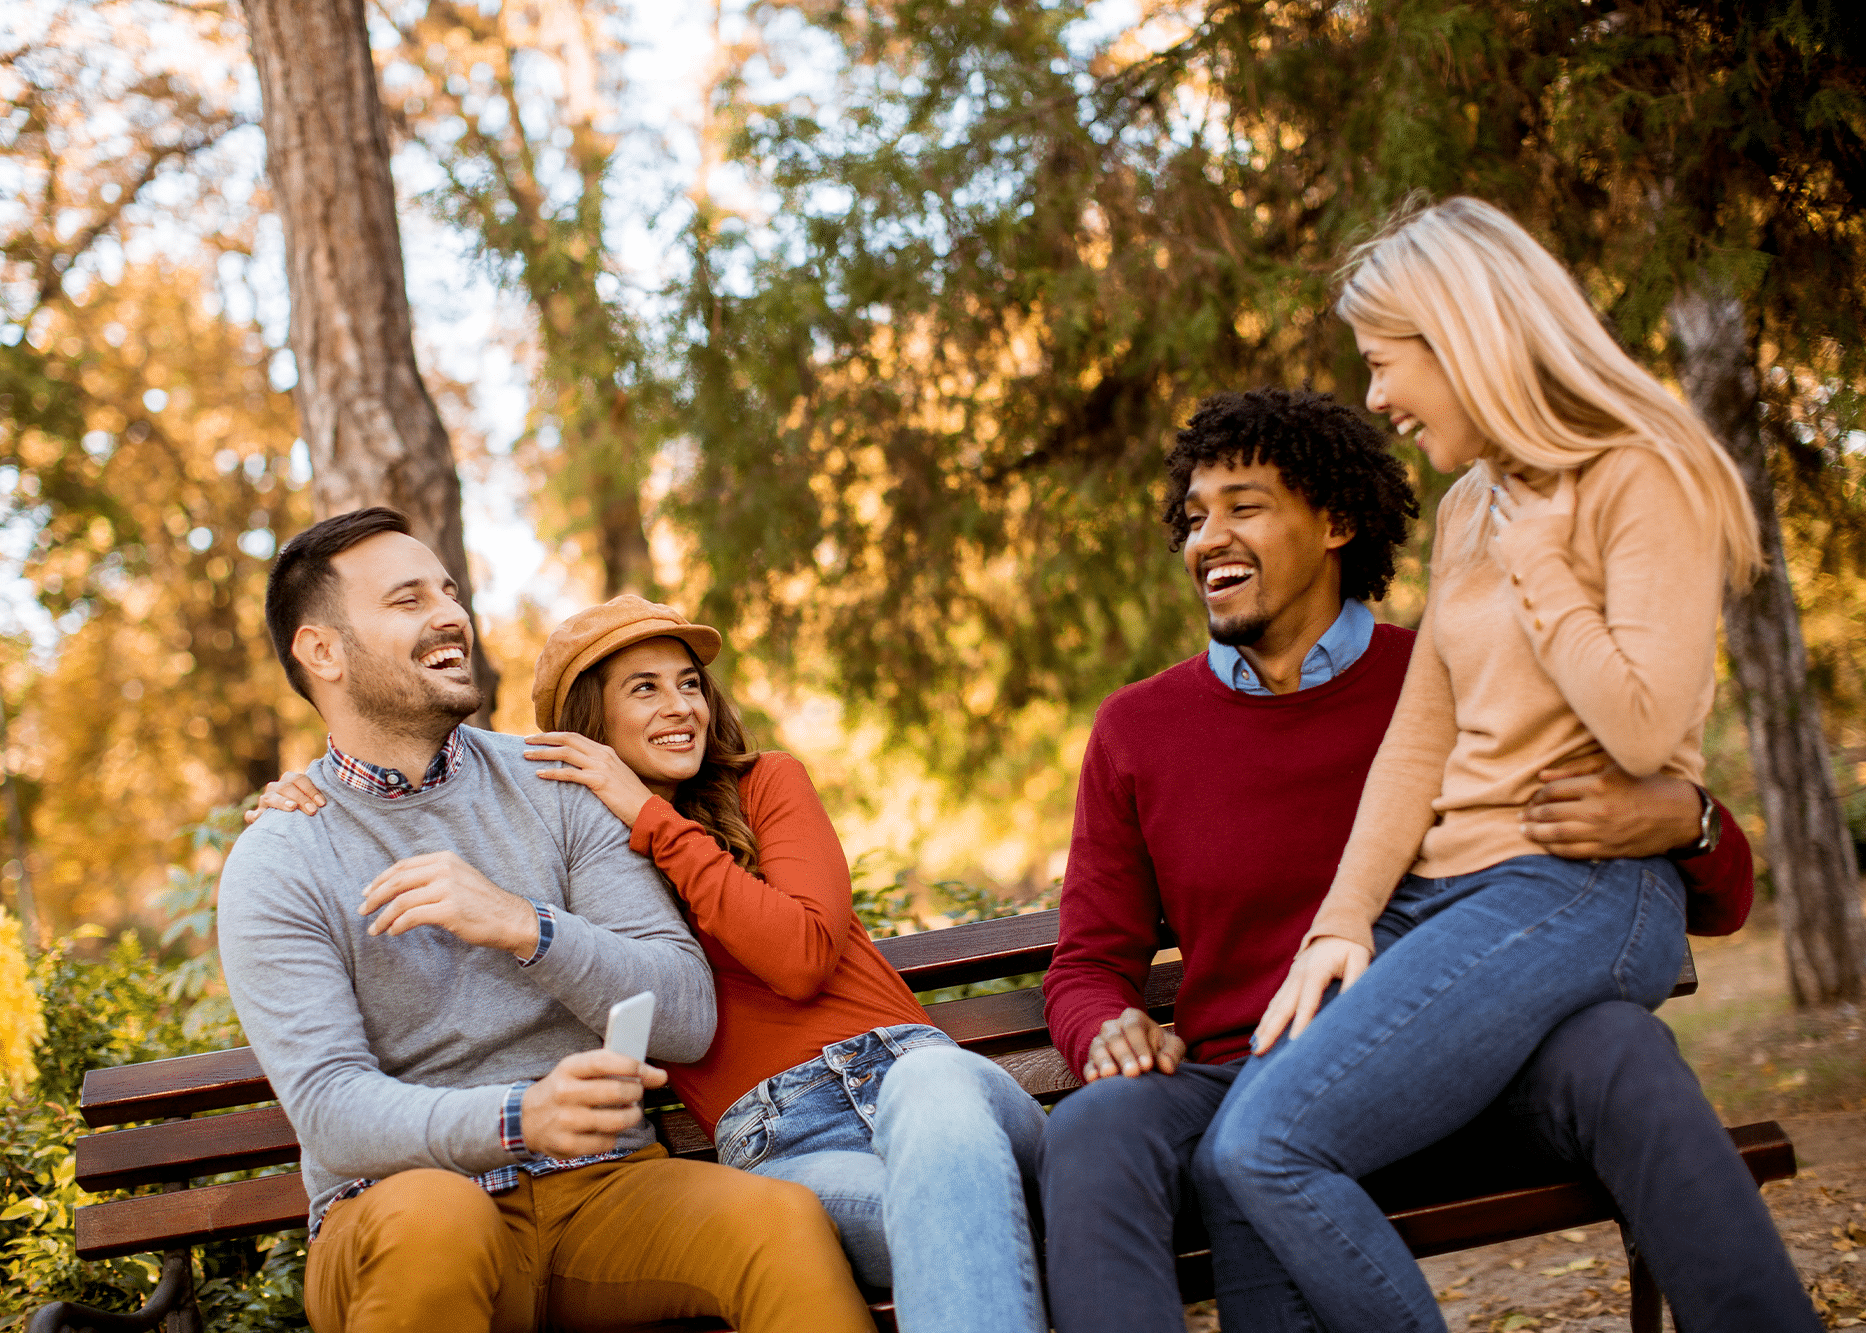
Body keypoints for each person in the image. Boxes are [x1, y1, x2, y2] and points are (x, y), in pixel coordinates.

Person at [1039, 386, 1816, 1333]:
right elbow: (1088, 961)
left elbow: (1713, 894)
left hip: (1459, 1067)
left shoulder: (1448, 675)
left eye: (1243, 506)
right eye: (1195, 518)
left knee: (1620, 1048)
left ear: (1337, 522)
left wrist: (1688, 819)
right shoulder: (1138, 729)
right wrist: (1105, 1028)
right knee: (1091, 1128)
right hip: (1238, 1078)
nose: (1208, 538)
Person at [1198, 201, 1820, 1332]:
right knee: (1229, 1162)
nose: (1377, 397)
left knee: (1266, 1144)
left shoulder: (1640, 472)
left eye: (1386, 362)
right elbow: (1419, 736)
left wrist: (1540, 560)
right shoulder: (1469, 502)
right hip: (1448, 899)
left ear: (1462, 335)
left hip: (1576, 885)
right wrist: (1343, 919)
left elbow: (1639, 728)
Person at [258, 594, 1051, 1333]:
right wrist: (320, 795)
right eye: (644, 688)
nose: (681, 707)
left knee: (933, 1103)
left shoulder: (762, 785)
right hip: (788, 1145)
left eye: (689, 684)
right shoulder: (572, 848)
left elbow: (800, 955)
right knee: (973, 1216)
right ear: (586, 724)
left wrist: (650, 816)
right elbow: (432, 800)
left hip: (915, 1077)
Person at [219, 508, 875, 1333]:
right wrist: (519, 1116)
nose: (449, 613)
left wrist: (529, 926)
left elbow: (685, 1011)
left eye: (450, 590)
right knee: (437, 1217)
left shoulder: (557, 782)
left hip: (602, 1188)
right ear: (321, 651)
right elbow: (330, 1108)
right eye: (407, 599)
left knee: (778, 1221)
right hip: (398, 1205)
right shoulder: (282, 856)